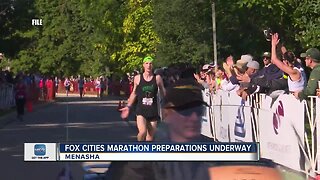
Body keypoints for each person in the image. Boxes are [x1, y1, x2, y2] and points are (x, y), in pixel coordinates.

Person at [106, 79, 210, 180]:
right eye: (185, 111)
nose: (194, 118)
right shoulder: (134, 163)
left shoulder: (216, 153)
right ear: (166, 113)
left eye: (199, 111)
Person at [120, 56, 166, 142]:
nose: (149, 65)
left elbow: (164, 93)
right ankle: (139, 149)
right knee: (143, 132)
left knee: (150, 137)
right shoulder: (138, 78)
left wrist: (168, 107)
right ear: (143, 65)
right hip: (141, 110)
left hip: (153, 111)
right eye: (147, 63)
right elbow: (134, 93)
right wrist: (128, 106)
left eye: (150, 63)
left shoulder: (157, 78)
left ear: (153, 65)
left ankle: (146, 154)